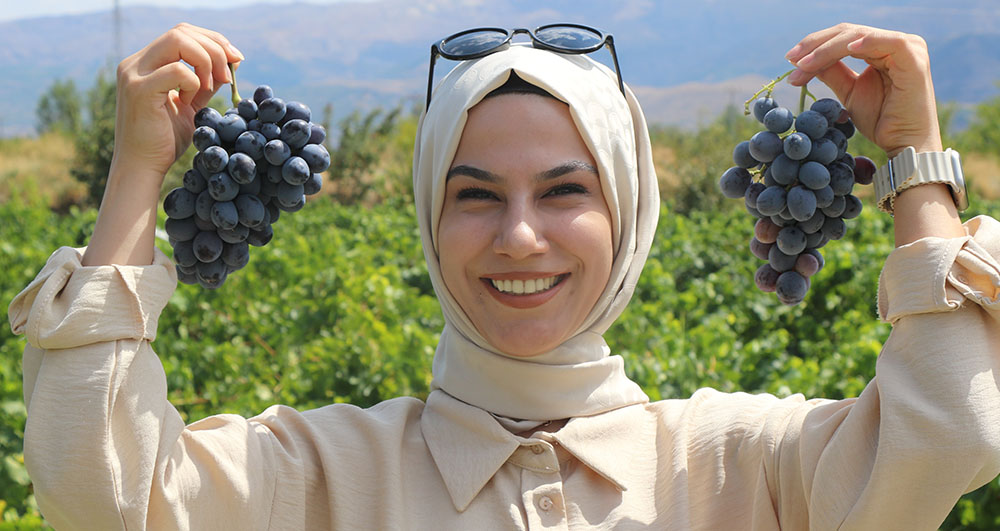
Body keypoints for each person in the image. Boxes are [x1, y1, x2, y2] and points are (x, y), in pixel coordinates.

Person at [8, 20, 1000, 530]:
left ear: (629, 215)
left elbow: (951, 429)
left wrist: (915, 160)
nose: (519, 237)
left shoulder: (744, 463)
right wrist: (137, 172)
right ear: (429, 221)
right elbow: (102, 495)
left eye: (565, 191)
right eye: (474, 194)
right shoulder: (309, 477)